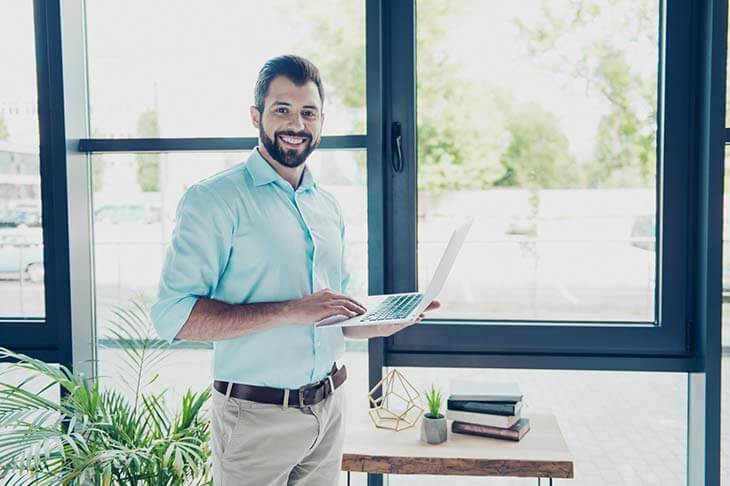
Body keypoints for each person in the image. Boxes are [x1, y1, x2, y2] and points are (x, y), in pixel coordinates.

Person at [151, 54, 439, 486]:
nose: (296, 124)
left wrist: (382, 323)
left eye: (308, 113)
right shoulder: (213, 200)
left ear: (322, 121)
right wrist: (290, 310)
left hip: (330, 410)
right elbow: (172, 316)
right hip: (254, 420)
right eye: (281, 109)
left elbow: (338, 315)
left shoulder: (327, 205)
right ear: (256, 116)